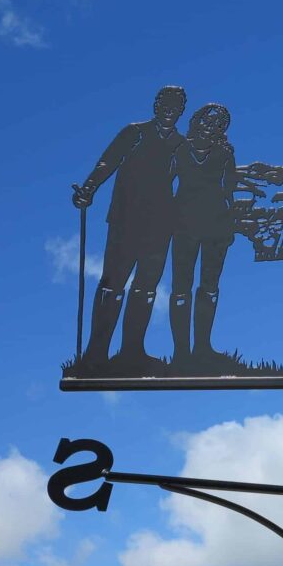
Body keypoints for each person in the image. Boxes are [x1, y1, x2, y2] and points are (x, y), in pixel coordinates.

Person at [72, 85, 187, 372]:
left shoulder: (182, 144)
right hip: (126, 219)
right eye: (164, 103)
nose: (169, 110)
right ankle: (96, 353)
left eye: (175, 106)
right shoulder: (134, 132)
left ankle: (132, 351)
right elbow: (106, 161)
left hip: (160, 224)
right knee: (112, 284)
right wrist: (89, 189)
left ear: (181, 111)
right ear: (155, 105)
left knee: (147, 287)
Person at [168, 103, 236, 367]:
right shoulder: (179, 150)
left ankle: (202, 348)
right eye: (208, 121)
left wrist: (228, 227)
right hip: (184, 226)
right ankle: (181, 352)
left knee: (209, 287)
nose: (211, 127)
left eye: (219, 125)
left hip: (216, 227)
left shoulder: (224, 155)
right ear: (197, 121)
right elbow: (164, 186)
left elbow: (229, 191)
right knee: (181, 288)